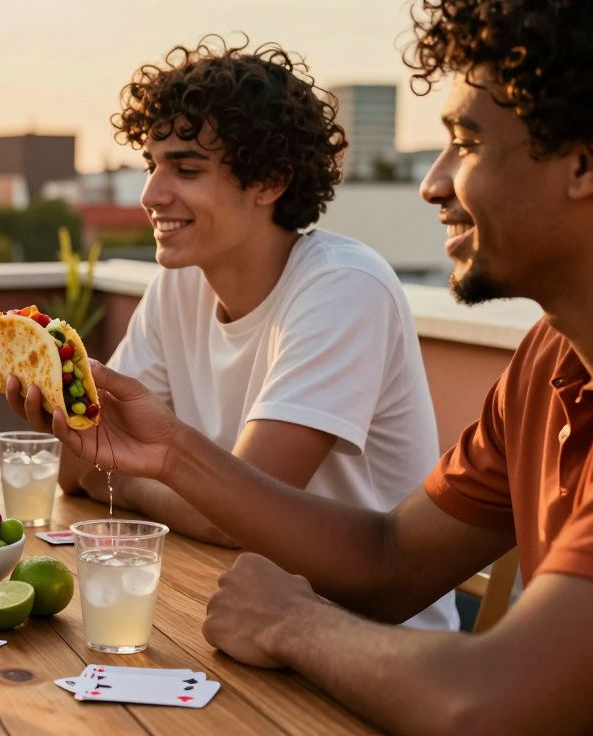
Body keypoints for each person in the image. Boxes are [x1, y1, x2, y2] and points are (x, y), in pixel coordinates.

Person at [10, 1, 593, 731]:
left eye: (466, 144)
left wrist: (294, 623)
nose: (432, 183)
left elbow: (486, 703)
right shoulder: (550, 356)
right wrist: (170, 453)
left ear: (582, 163)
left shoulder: (343, 282)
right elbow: (389, 561)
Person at [53, 37, 456, 630]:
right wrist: (130, 473)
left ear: (269, 182)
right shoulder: (179, 284)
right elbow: (78, 464)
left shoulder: (343, 288)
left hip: (361, 642)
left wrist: (129, 482)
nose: (151, 194)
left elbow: (234, 517)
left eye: (186, 169)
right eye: (152, 166)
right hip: (236, 608)